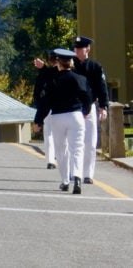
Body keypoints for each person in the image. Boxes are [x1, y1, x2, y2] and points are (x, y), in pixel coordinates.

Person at [34, 48, 92, 194]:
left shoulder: (53, 81)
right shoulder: (80, 79)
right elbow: (87, 99)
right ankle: (77, 177)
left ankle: (65, 181)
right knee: (77, 148)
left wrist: (38, 120)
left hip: (58, 117)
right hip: (76, 116)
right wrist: (85, 112)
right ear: (71, 63)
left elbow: (45, 103)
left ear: (59, 63)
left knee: (61, 150)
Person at [73, 36, 108, 184]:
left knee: (90, 142)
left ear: (87, 49)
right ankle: (75, 172)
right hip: (73, 107)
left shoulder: (95, 67)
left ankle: (88, 174)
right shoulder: (70, 65)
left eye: (80, 48)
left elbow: (102, 88)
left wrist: (103, 106)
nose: (77, 50)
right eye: (76, 48)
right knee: (74, 142)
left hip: (90, 106)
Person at [32, 53, 60, 169]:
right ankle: (62, 159)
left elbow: (38, 95)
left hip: (48, 108)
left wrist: (38, 119)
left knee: (49, 134)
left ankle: (50, 160)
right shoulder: (69, 74)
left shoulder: (44, 74)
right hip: (64, 109)